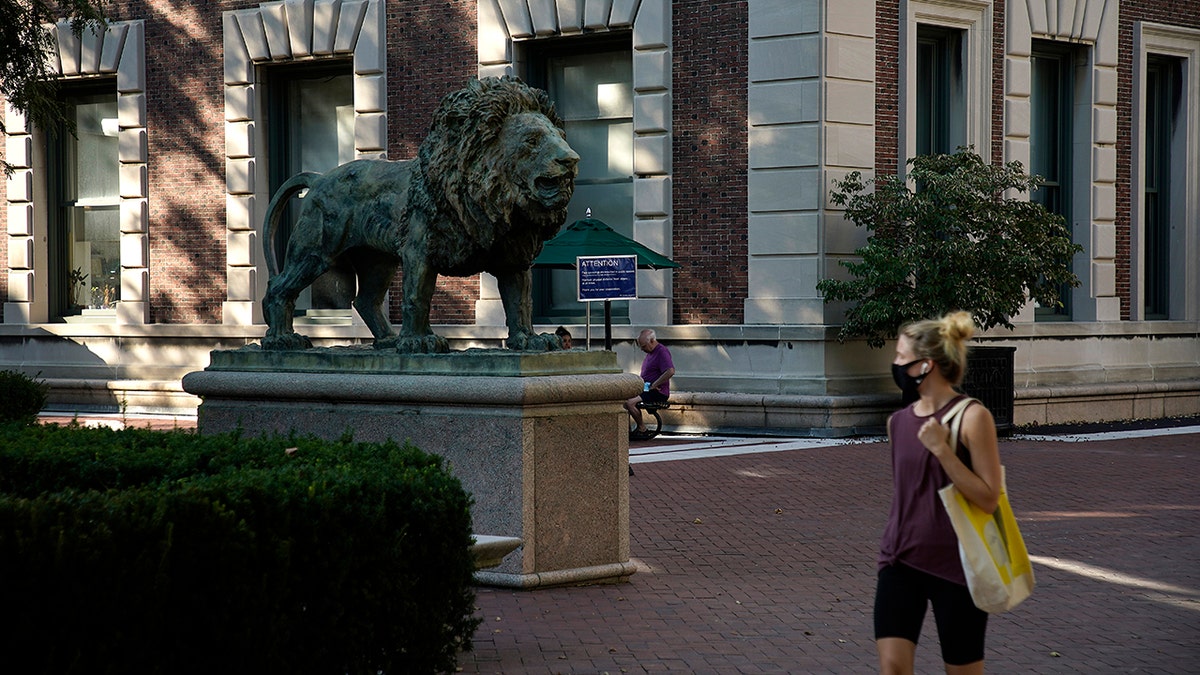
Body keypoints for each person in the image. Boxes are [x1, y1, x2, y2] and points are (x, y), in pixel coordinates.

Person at [875, 311, 1002, 675]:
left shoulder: (972, 416)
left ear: (926, 365)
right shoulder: (897, 422)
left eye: (901, 357)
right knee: (893, 668)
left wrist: (943, 450)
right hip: (899, 561)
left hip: (957, 566)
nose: (896, 364)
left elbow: (988, 496)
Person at [624, 329, 674, 440]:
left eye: (644, 346)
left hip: (657, 391)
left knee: (630, 403)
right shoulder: (651, 353)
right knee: (623, 398)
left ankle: (642, 428)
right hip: (647, 389)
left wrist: (655, 384)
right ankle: (626, 430)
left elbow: (670, 371)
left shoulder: (662, 351)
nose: (642, 349)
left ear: (652, 341)